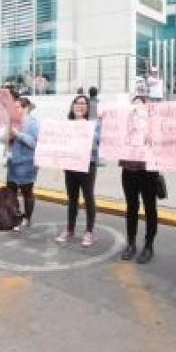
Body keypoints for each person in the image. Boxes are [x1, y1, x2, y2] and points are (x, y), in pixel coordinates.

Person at [55, 94, 101, 247]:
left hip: (88, 166)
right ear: (73, 106)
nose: (80, 106)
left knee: (88, 198)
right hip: (71, 166)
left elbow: (97, 145)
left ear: (87, 108)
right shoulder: (67, 123)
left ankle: (89, 231)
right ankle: (70, 229)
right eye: (77, 103)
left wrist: (84, 128)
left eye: (83, 103)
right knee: (72, 199)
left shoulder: (93, 124)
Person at [119, 96, 159, 264]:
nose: (136, 110)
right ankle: (131, 243)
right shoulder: (125, 127)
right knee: (131, 208)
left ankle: (148, 246)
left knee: (150, 209)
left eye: (140, 107)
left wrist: (153, 139)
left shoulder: (154, 127)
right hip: (128, 172)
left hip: (148, 173)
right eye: (133, 107)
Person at [7, 97, 40, 231]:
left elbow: (34, 143)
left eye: (17, 107)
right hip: (12, 161)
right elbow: (4, 140)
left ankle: (27, 218)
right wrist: (7, 137)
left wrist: (18, 135)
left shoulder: (33, 123)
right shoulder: (13, 122)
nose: (14, 110)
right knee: (11, 191)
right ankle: (15, 216)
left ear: (26, 108)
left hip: (27, 162)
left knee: (27, 192)